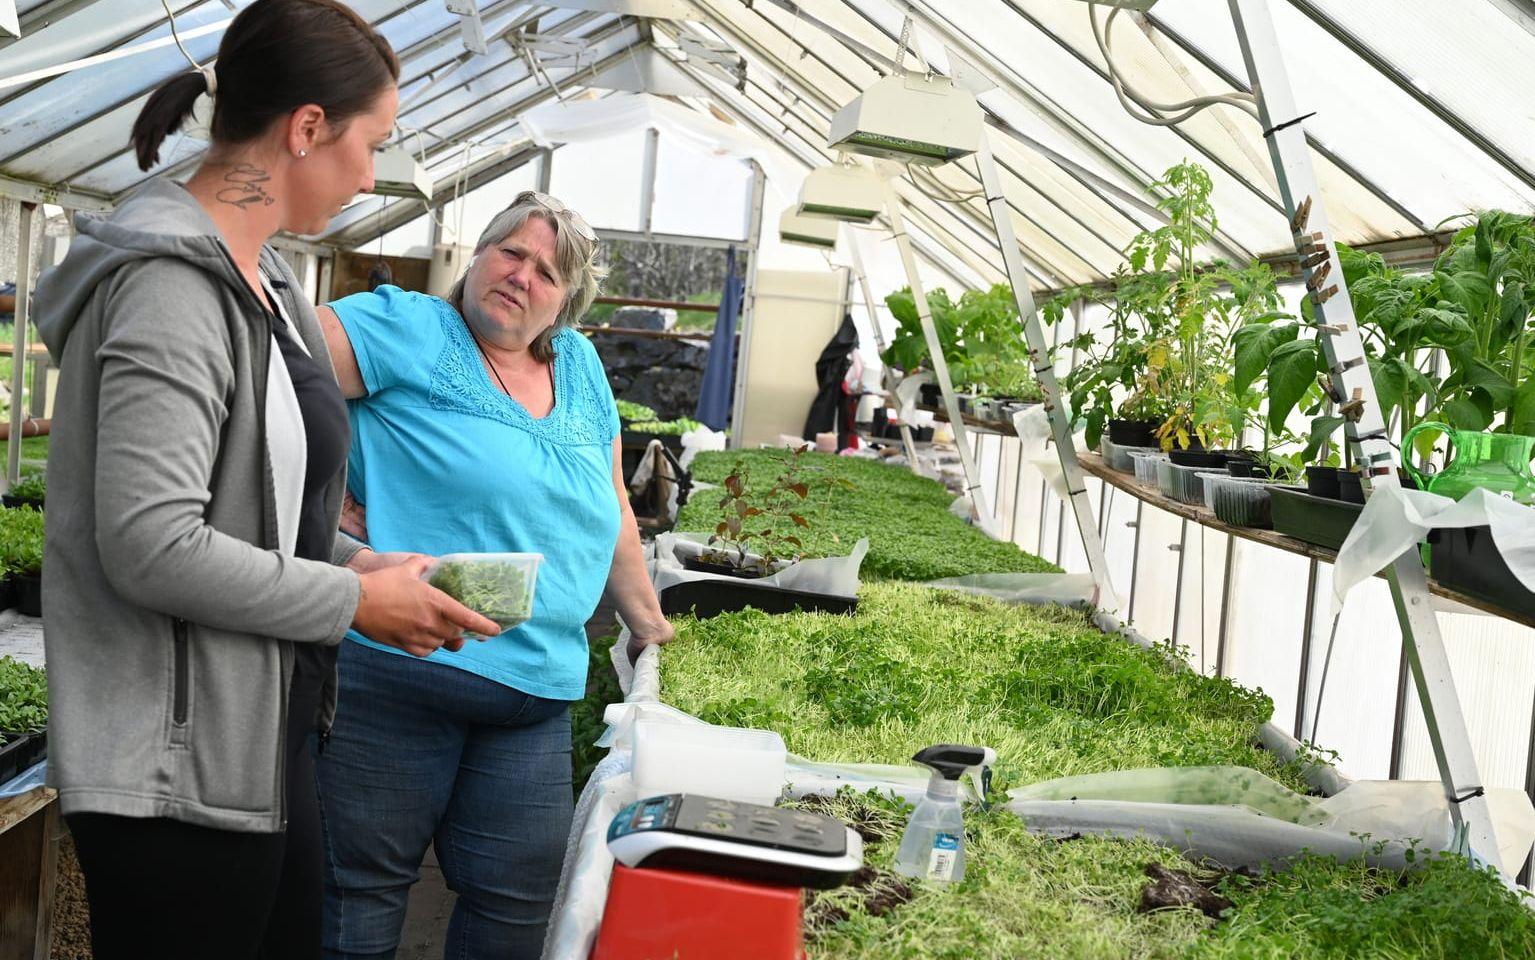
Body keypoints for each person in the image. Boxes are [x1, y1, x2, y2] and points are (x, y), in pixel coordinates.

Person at [32, 3, 499, 958]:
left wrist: (369, 562)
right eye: (370, 144)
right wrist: (352, 603)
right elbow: (151, 545)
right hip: (170, 765)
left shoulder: (270, 281)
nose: (373, 175)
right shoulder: (169, 287)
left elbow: (261, 504)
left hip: (259, 736)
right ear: (306, 129)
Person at [314, 191, 675, 959]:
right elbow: (265, 371)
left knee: (516, 907)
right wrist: (322, 489)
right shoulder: (410, 327)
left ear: (566, 303)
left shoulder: (577, 366)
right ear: (477, 256)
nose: (520, 274)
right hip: (397, 669)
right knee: (358, 897)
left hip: (534, 693)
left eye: (546, 270)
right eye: (510, 250)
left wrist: (648, 626)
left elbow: (611, 502)